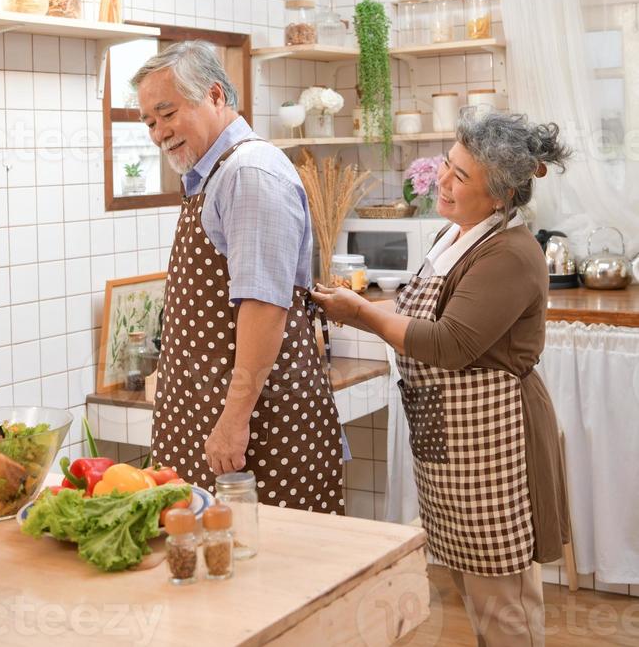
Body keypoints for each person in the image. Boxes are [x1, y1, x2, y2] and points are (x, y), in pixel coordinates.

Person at [312, 112, 571, 646]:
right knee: (476, 601)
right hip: (453, 446)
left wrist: (361, 313)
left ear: (499, 196)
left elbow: (449, 344)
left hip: (495, 447)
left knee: (506, 610)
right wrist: (361, 303)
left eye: (460, 177)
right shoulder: (456, 235)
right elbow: (421, 315)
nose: (442, 183)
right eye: (446, 167)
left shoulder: (511, 254)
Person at [132, 41, 343, 513]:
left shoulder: (249, 172)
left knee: (271, 576)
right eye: (149, 122)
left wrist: (233, 420)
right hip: (210, 421)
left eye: (167, 113)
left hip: (258, 430)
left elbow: (264, 306)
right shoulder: (211, 175)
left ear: (214, 95)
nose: (159, 132)